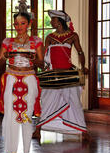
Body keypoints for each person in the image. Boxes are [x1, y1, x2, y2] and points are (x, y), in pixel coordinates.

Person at [0, 0, 44, 153]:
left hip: (29, 79)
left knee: (27, 117)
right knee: (10, 117)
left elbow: (42, 64)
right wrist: (5, 55)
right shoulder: (7, 42)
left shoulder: (36, 41)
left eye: (22, 23)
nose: (19, 27)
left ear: (29, 23)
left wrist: (33, 59)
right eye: (16, 24)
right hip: (11, 79)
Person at [34, 10, 91, 142]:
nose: (51, 22)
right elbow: (44, 58)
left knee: (75, 103)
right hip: (53, 75)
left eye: (52, 20)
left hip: (68, 75)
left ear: (59, 21)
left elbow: (80, 52)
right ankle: (38, 130)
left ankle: (83, 131)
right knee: (47, 102)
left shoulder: (73, 36)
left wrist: (83, 67)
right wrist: (36, 62)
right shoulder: (49, 37)